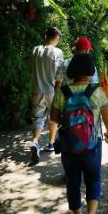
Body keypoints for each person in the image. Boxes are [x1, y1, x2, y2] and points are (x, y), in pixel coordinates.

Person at [50, 53, 108, 214]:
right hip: (92, 146)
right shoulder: (97, 92)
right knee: (93, 179)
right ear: (90, 71)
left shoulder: (62, 93)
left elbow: (53, 119)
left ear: (71, 72)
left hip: (69, 148)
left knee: (73, 182)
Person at [29, 26, 64, 164]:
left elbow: (30, 68)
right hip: (52, 90)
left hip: (37, 89)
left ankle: (35, 141)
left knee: (38, 118)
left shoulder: (35, 50)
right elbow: (60, 75)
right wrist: (58, 91)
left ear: (45, 36)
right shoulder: (58, 52)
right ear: (57, 37)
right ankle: (50, 143)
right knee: (54, 117)